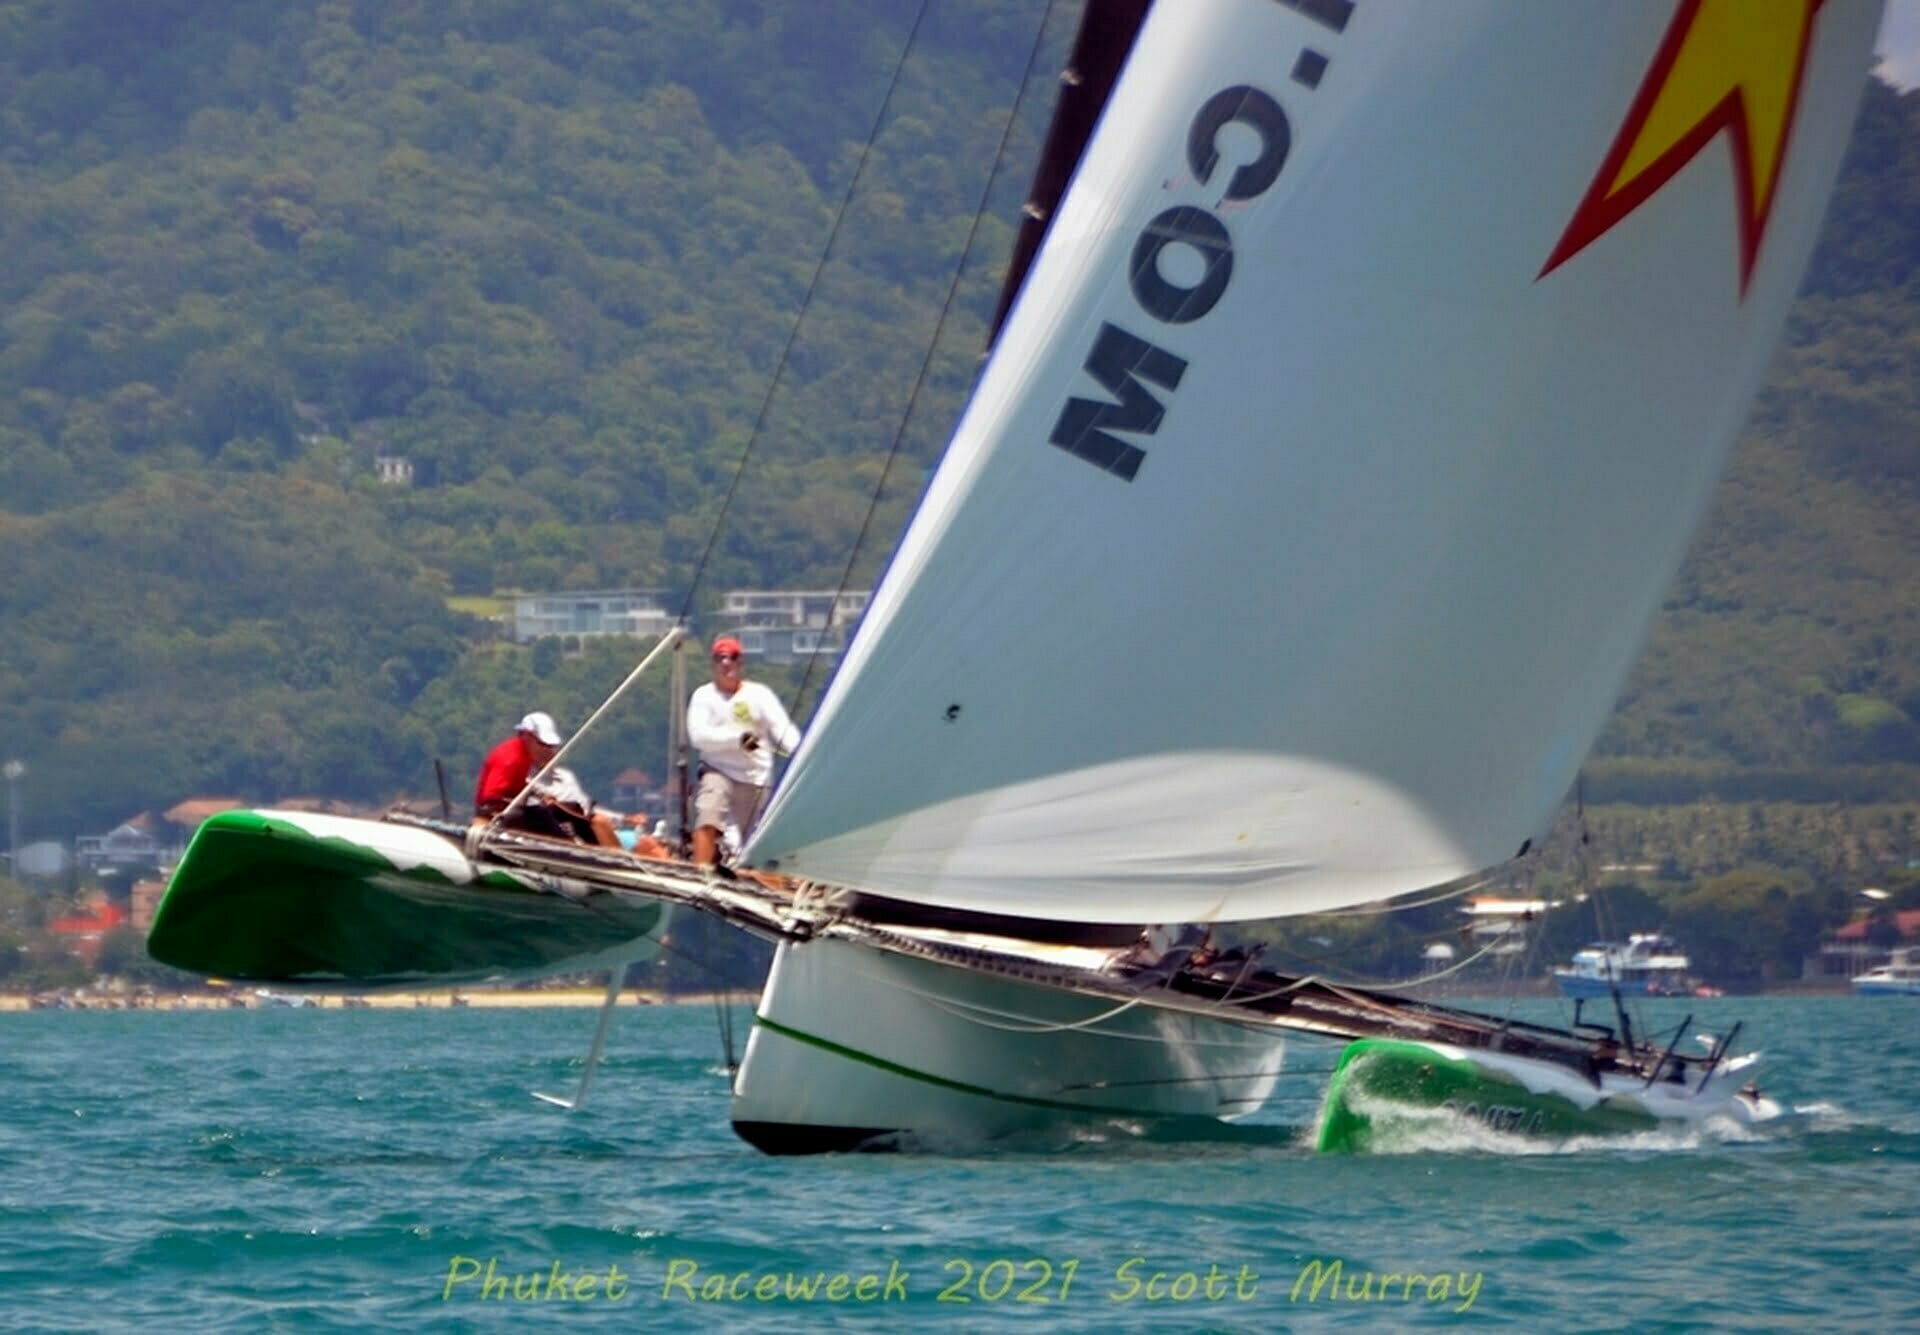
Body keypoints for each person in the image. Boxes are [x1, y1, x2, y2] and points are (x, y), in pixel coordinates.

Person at [686, 636, 800, 871]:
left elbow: (782, 729)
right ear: (713, 663)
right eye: (720, 658)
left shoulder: (760, 695)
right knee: (709, 813)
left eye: (732, 657)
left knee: (756, 840)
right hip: (718, 770)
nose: (726, 663)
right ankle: (700, 872)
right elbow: (698, 736)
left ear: (741, 662)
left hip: (755, 777)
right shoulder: (703, 696)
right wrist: (737, 739)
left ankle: (760, 879)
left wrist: (800, 753)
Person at [473, 710, 614, 846]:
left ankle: (590, 847)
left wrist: (540, 796)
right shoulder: (509, 759)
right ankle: (568, 847)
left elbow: (518, 788)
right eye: (543, 745)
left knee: (569, 810)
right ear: (527, 737)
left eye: (551, 746)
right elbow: (490, 800)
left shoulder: (525, 756)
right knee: (541, 814)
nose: (549, 751)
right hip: (500, 817)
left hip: (514, 810)